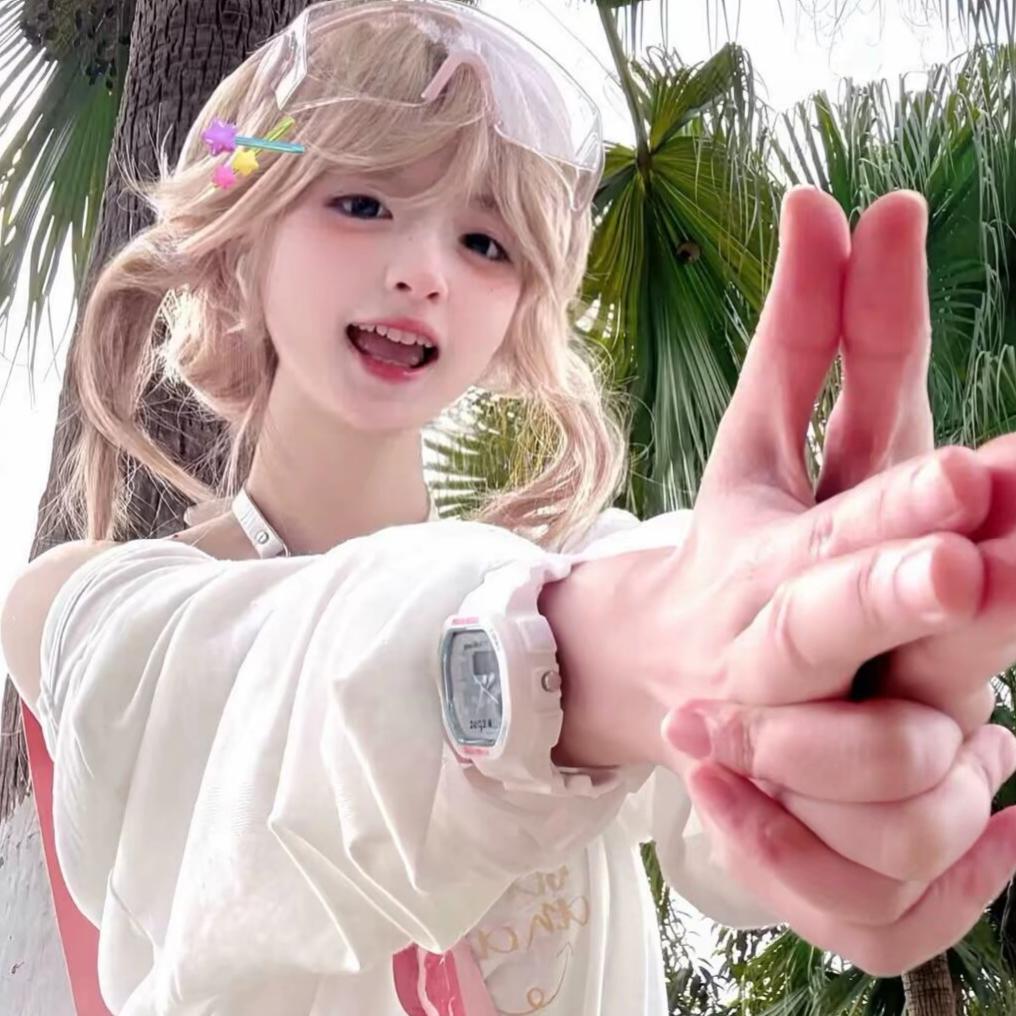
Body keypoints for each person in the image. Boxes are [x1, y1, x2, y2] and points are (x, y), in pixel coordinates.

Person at [3, 2, 1016, 1013]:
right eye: (362, 201)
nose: (423, 273)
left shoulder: (584, 561)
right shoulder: (91, 609)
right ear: (244, 235)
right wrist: (585, 653)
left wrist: (831, 725)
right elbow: (279, 685)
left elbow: (719, 833)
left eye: (485, 242)